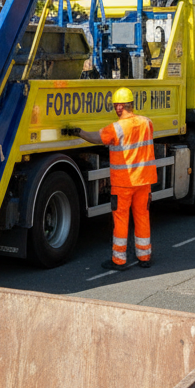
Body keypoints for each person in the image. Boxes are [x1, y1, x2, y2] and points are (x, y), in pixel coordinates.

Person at [68, 87, 156, 270]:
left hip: (124, 183)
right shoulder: (147, 122)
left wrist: (79, 132)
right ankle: (144, 257)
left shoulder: (116, 128)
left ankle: (119, 260)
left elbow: (95, 138)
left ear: (120, 106)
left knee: (121, 220)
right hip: (144, 181)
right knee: (142, 217)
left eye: (116, 105)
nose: (115, 108)